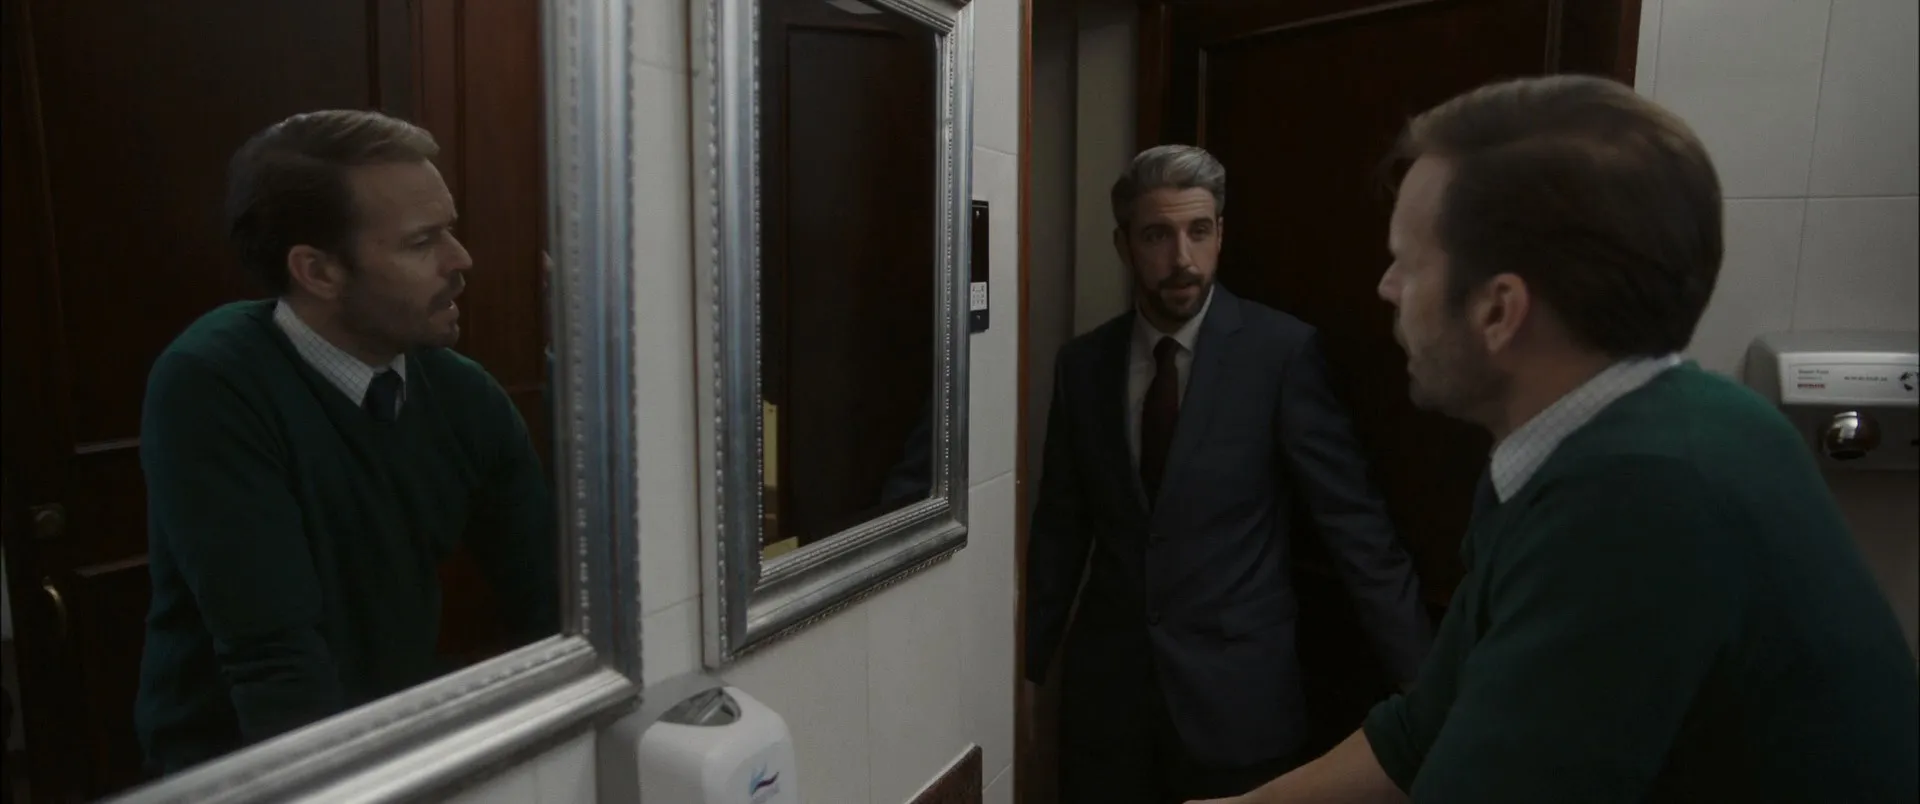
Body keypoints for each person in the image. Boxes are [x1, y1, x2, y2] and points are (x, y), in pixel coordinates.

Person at [1194, 75, 1920, 804]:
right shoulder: (1633, 432)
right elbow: (1421, 731)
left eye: (1407, 263)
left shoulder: (1639, 499)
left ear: (1499, 311)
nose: (1386, 286)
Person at [135, 110, 558, 774]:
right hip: (241, 767)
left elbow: (551, 598)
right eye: (422, 242)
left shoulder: (463, 395)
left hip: (390, 743)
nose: (461, 259)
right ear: (318, 272)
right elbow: (276, 659)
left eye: (449, 229)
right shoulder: (213, 383)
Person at [1026, 144, 1433, 803]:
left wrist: (1424, 681)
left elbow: (1354, 524)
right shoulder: (1084, 366)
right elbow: (1061, 528)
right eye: (1157, 235)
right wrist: (1029, 672)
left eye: (1199, 231)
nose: (1182, 259)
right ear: (1124, 244)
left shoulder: (1280, 354)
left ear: (1221, 233)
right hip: (1110, 705)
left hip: (1238, 703)